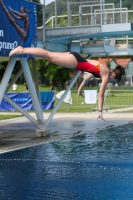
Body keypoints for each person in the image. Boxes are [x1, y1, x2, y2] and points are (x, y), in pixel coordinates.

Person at [9, 46, 126, 120]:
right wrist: (100, 111)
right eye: (112, 81)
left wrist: (79, 90)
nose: (109, 82)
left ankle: (24, 49)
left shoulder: (102, 69)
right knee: (47, 55)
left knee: (48, 55)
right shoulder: (105, 73)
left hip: (75, 56)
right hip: (76, 62)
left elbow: (86, 79)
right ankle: (21, 50)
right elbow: (101, 94)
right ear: (114, 75)